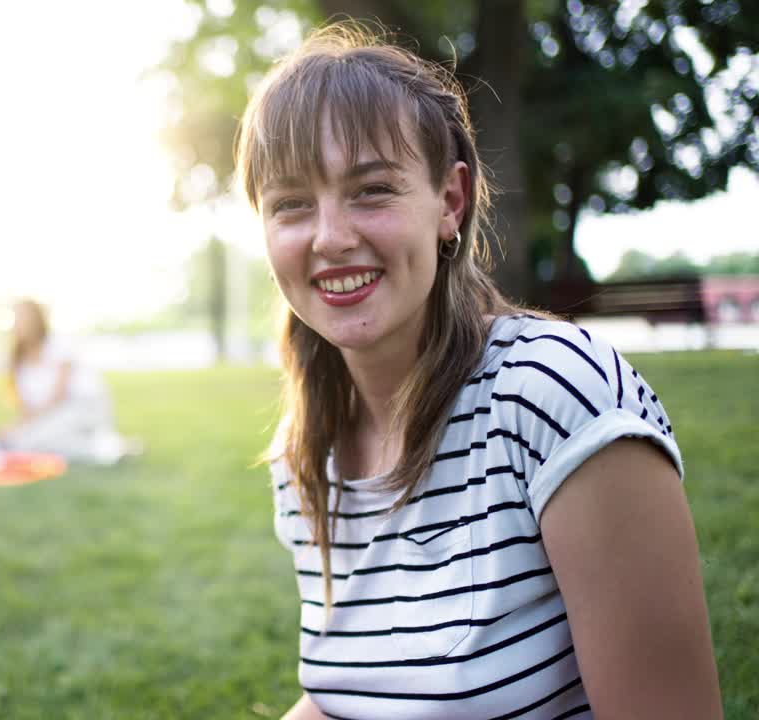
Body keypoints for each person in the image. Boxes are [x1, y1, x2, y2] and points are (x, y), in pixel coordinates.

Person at [236, 23, 722, 719]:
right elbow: (351, 691)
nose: (331, 237)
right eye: (291, 204)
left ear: (450, 202)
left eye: (372, 190)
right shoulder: (304, 446)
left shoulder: (558, 396)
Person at [0, 299, 127, 464]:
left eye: (22, 317)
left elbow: (58, 395)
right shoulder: (18, 360)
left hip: (82, 406)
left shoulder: (58, 343)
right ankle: (104, 444)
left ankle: (111, 449)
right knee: (19, 441)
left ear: (36, 320)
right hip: (52, 414)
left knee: (32, 442)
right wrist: (15, 428)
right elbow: (27, 407)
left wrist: (23, 429)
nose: (17, 323)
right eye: (15, 318)